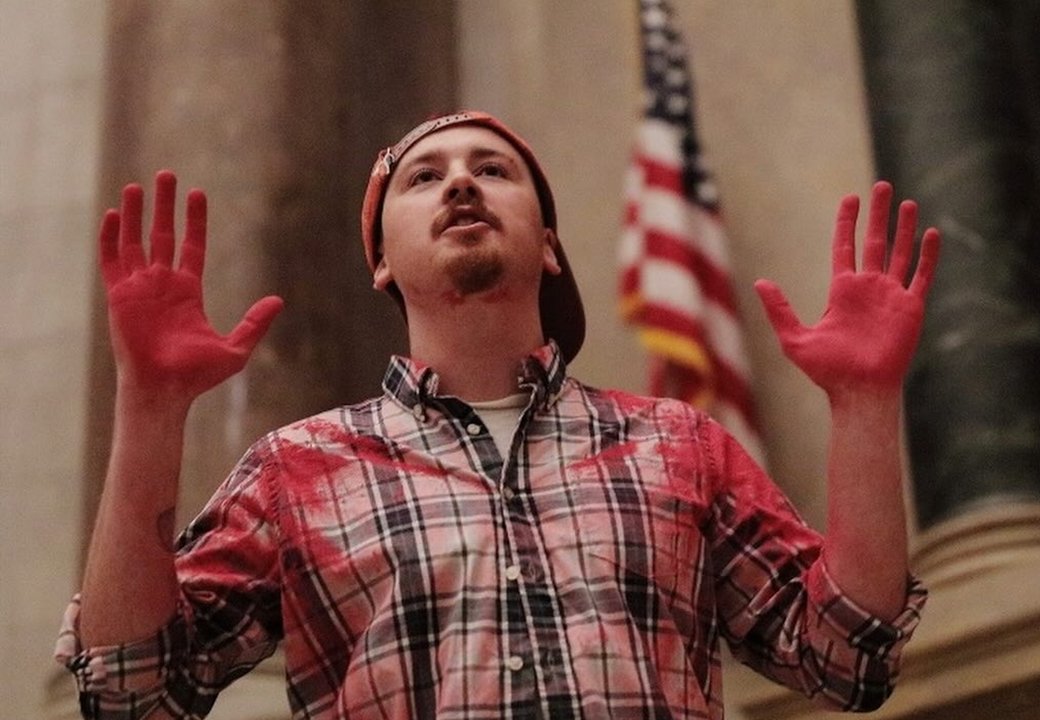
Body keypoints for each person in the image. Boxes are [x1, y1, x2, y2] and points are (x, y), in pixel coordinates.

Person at [56, 111, 939, 719]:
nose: (462, 186)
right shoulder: (299, 466)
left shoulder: (678, 443)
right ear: (381, 262)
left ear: (549, 244)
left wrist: (865, 408)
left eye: (493, 170)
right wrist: (151, 405)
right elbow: (136, 692)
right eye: (425, 179)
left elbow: (845, 657)